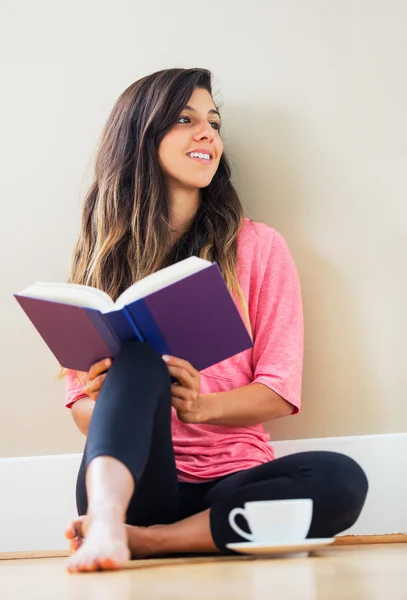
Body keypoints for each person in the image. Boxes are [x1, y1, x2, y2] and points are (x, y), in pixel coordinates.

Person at [62, 68, 368, 573]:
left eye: (214, 121)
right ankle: (112, 518)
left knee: (341, 478)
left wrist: (199, 405)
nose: (208, 133)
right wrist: (111, 397)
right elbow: (78, 410)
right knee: (140, 358)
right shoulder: (102, 262)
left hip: (232, 482)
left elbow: (277, 391)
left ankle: (146, 540)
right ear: (142, 135)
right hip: (137, 479)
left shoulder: (259, 247)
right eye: (185, 119)